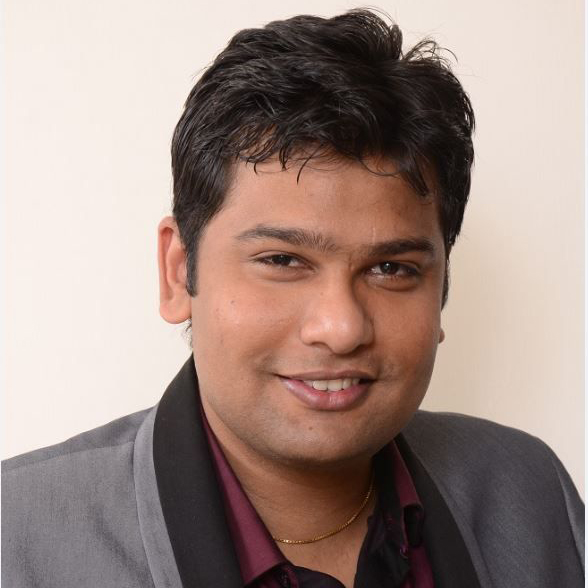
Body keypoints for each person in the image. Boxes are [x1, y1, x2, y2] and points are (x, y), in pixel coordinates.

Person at [2, 9, 583, 588]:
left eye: (391, 268)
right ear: (178, 272)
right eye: (282, 261)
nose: (340, 328)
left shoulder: (529, 493)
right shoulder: (18, 536)